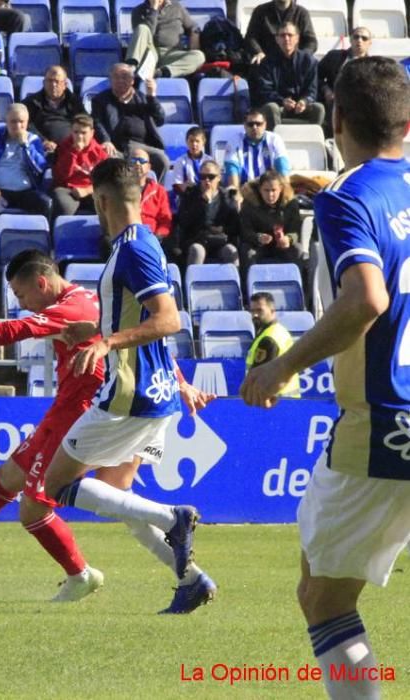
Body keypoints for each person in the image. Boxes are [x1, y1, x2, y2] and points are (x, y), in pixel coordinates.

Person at [0, 248, 217, 611]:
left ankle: (134, 542)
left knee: (36, 507)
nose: (23, 304)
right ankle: (190, 578)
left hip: (91, 413)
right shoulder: (90, 298)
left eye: (23, 295)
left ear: (41, 282)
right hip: (99, 408)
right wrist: (182, 384)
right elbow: (145, 340)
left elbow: (14, 330)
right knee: (21, 479)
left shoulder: (68, 308)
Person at [241, 56, 410, 700]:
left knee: (324, 597)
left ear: (335, 118)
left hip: (385, 428)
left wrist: (284, 365)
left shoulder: (348, 200)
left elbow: (366, 298)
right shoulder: (366, 190)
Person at [30, 157, 212, 608]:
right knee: (117, 496)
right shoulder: (136, 244)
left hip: (132, 396)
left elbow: (168, 320)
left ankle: (173, 517)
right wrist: (92, 334)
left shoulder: (134, 249)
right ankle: (191, 581)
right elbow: (140, 319)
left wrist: (107, 342)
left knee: (54, 486)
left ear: (101, 199)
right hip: (155, 394)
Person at [0, 103, 51, 258]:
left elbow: (40, 168)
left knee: (46, 203)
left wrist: (25, 146)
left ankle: (40, 253)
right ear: (6, 121)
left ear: (27, 122)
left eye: (21, 122)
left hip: (26, 192)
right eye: (13, 122)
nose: (17, 126)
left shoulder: (33, 140)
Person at [91, 63, 170, 180]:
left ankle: (154, 194)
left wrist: (151, 97)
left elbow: (160, 119)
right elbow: (97, 122)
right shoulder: (100, 100)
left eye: (124, 76)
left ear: (132, 80)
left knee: (162, 160)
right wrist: (106, 140)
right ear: (110, 80)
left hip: (142, 146)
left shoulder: (143, 98)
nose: (120, 80)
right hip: (116, 146)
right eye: (116, 77)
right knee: (106, 159)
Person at [170, 158, 240, 268]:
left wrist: (222, 230)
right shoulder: (190, 195)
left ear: (219, 178)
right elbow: (184, 222)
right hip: (197, 240)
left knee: (231, 251)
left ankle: (237, 283)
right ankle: (191, 283)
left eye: (211, 177)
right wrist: (203, 204)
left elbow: (234, 225)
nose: (207, 180)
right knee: (197, 251)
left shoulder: (226, 197)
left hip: (219, 241)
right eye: (202, 177)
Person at [255, 22, 324, 130]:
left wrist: (304, 101)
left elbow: (312, 90)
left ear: (297, 38)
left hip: (301, 107)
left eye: (290, 35)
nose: (286, 38)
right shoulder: (267, 62)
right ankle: (276, 143)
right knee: (271, 108)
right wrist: (282, 100)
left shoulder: (309, 61)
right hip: (279, 106)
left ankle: (310, 142)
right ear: (277, 39)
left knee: (319, 108)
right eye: (282, 35)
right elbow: (265, 91)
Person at [239, 168, 303, 271]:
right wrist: (258, 237)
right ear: (260, 189)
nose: (270, 195)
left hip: (282, 245)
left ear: (281, 189)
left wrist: (288, 239)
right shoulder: (249, 203)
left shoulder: (291, 203)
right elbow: (245, 230)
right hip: (258, 245)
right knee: (247, 252)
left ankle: (299, 285)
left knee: (298, 251)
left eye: (273, 190)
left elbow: (296, 229)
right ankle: (248, 285)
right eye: (266, 190)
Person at [126, 0, 205, 79]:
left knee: (199, 56)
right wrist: (153, 10)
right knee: (142, 28)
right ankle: (131, 69)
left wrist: (194, 39)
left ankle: (161, 72)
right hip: (149, 52)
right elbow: (147, 33)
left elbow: (193, 27)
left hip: (171, 53)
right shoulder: (138, 11)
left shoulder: (177, 7)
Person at [50, 114, 109, 217]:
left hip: (91, 190)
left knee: (105, 204)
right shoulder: (63, 147)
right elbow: (59, 178)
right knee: (62, 203)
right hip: (67, 189)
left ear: (92, 133)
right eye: (76, 132)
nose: (79, 136)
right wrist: (73, 152)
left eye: (84, 133)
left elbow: (104, 182)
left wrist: (87, 190)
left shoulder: (100, 153)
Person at [22, 65, 87, 154]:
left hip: (71, 150)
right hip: (40, 150)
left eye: (57, 81)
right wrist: (42, 141)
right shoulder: (31, 102)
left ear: (65, 85)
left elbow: (85, 123)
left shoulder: (75, 102)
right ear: (44, 83)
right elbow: (26, 125)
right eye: (50, 81)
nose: (53, 85)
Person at [246, 291, 299, 397]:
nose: (255, 315)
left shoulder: (269, 338)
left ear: (272, 310)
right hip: (289, 401)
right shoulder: (280, 330)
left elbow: (260, 378)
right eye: (252, 311)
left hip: (274, 403)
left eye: (259, 310)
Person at [223, 109, 291, 189]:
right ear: (244, 126)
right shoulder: (234, 140)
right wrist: (236, 194)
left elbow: (282, 166)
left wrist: (286, 191)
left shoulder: (274, 139)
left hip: (270, 188)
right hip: (245, 188)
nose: (254, 127)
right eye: (250, 124)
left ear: (265, 125)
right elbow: (232, 169)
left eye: (258, 124)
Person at [317, 28, 372, 125]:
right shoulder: (334, 56)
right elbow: (315, 76)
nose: (359, 40)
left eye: (364, 38)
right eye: (356, 37)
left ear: (369, 43)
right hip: (333, 102)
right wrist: (326, 89)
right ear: (350, 40)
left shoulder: (373, 66)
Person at [244, 0, 317, 65]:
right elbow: (251, 37)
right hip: (267, 65)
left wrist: (301, 57)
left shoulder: (301, 13)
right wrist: (258, 52)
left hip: (294, 66)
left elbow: (311, 42)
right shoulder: (260, 11)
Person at [132, 147, 172, 243]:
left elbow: (165, 221)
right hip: (128, 236)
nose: (137, 164)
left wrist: (156, 237)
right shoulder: (121, 190)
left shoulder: (159, 191)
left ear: (149, 167)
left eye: (141, 161)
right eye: (134, 161)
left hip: (151, 237)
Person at [165, 126, 209, 197]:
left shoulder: (209, 161)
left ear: (203, 142)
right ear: (186, 142)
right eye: (191, 141)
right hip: (187, 197)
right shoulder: (180, 161)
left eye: (197, 141)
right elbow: (179, 185)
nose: (194, 144)